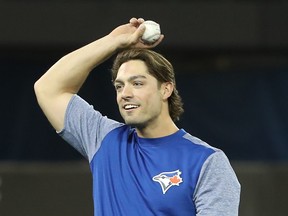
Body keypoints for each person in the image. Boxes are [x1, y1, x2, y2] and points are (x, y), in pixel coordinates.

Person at [34, 17, 241, 215]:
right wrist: (112, 42)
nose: (125, 94)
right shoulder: (103, 139)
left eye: (138, 83)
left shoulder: (207, 161)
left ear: (166, 89)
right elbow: (48, 88)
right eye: (119, 86)